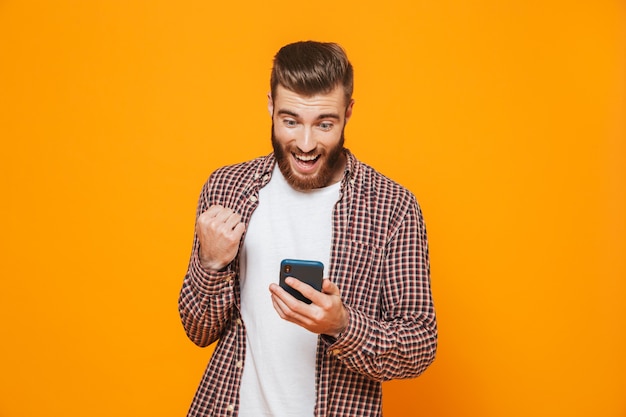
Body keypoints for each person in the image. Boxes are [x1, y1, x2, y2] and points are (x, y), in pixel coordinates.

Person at [178, 40, 437, 417]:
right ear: (270, 105)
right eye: (290, 120)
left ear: (348, 112)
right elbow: (198, 330)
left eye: (324, 124)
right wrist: (212, 263)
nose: (305, 144)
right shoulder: (227, 189)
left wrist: (343, 325)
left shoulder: (392, 207)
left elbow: (419, 345)